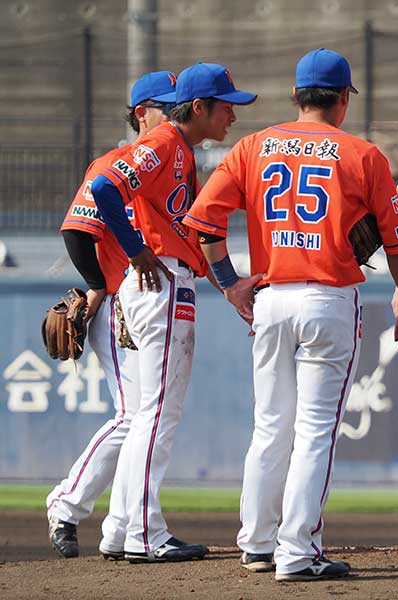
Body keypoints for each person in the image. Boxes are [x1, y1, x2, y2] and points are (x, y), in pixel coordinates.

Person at [184, 48, 398, 582]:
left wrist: (229, 283)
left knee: (270, 425)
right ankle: (298, 550)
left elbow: (203, 223)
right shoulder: (363, 155)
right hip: (327, 298)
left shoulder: (253, 146)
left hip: (270, 298)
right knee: (315, 431)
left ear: (296, 97)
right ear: (342, 101)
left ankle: (257, 542)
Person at [91, 62, 257, 563]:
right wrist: (134, 248)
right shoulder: (165, 142)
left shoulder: (178, 149)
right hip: (159, 280)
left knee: (150, 413)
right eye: (225, 105)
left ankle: (121, 530)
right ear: (198, 107)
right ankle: (144, 534)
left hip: (167, 279)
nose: (232, 114)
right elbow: (104, 189)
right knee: (158, 414)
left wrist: (228, 287)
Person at [46, 71, 176, 559]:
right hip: (119, 303)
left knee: (142, 416)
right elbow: (76, 231)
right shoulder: (116, 162)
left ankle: (119, 524)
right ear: (142, 112)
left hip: (140, 300)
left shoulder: (168, 161)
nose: (176, 113)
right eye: (166, 106)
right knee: (133, 414)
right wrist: (99, 287)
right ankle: (70, 504)